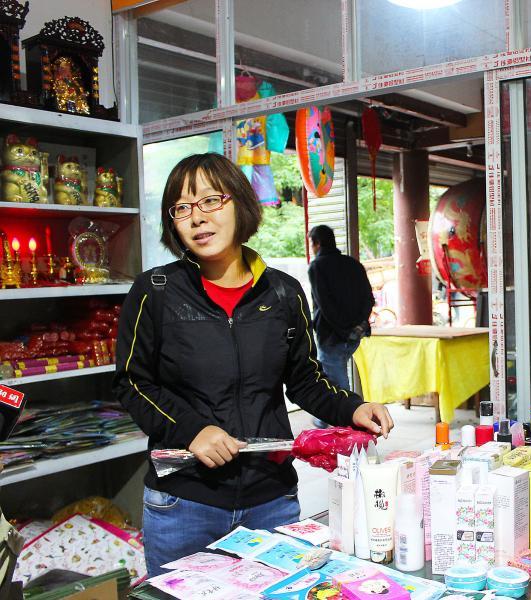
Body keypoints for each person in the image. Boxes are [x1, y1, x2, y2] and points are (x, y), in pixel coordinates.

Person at [113, 154, 393, 577]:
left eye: (210, 201)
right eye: (182, 208)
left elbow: (304, 380)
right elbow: (133, 383)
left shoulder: (283, 292)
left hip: (271, 499)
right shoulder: (156, 291)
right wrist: (193, 430)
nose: (197, 218)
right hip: (185, 503)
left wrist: (352, 407)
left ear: (240, 204)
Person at [307, 225, 375, 427]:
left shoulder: (317, 267)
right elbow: (368, 298)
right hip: (354, 335)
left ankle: (352, 423)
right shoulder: (353, 264)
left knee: (337, 382)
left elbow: (325, 305)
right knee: (333, 376)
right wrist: (358, 325)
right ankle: (323, 419)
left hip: (332, 336)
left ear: (316, 244)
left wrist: (343, 329)